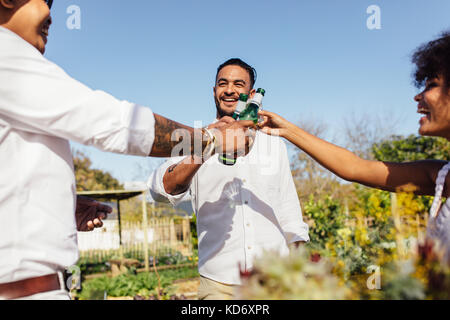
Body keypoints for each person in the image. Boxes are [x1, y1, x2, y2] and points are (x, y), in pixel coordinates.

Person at [0, 0, 253, 300]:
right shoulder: (7, 55)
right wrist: (210, 140)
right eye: (44, 0)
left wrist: (61, 203)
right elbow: (115, 123)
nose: (51, 16)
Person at [257, 31, 450, 262]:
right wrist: (286, 130)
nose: (418, 96)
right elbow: (353, 167)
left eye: (432, 85)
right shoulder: (438, 175)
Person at [149, 58, 310, 300]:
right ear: (214, 91)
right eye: (222, 83)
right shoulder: (194, 139)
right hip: (218, 285)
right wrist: (210, 145)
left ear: (252, 93)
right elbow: (159, 191)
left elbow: (288, 210)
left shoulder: (273, 145)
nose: (230, 89)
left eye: (238, 83)